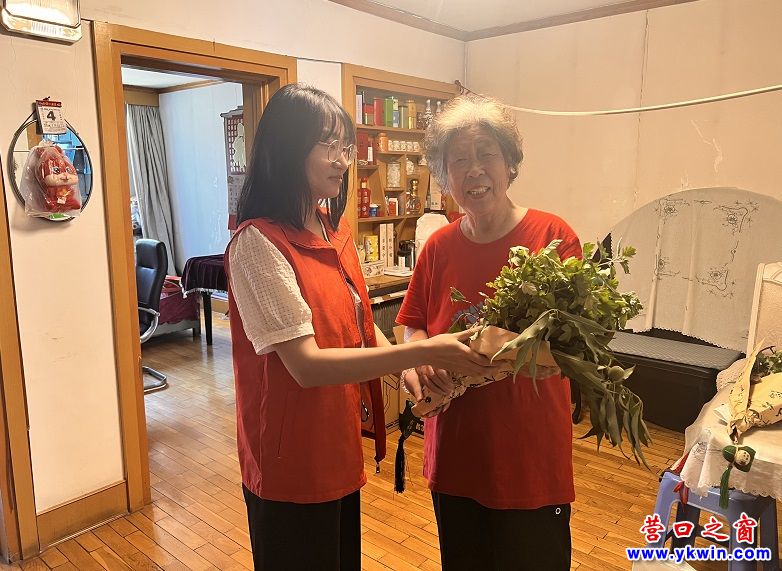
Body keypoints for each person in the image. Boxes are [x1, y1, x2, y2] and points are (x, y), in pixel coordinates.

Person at [225, 84, 497, 571]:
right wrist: (422, 351)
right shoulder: (257, 244)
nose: (343, 160)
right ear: (287, 148)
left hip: (335, 443)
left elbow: (363, 328)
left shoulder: (333, 231)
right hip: (290, 461)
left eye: (346, 146)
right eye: (328, 145)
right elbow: (306, 366)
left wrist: (411, 374)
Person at [396, 94, 582, 570]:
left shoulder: (552, 238)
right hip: (456, 455)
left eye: (486, 154)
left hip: (529, 460)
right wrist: (417, 360)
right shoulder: (438, 247)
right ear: (445, 176)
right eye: (459, 160)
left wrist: (508, 351)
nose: (474, 170)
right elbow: (410, 323)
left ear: (510, 163)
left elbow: (575, 350)